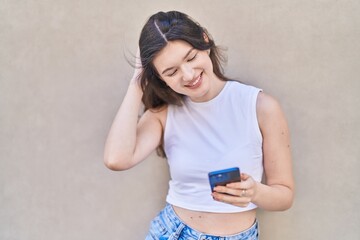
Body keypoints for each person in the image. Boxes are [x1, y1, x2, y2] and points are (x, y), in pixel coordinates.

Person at [104, 11, 294, 240]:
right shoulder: (164, 112)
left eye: (191, 58)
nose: (188, 75)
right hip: (172, 232)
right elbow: (116, 159)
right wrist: (137, 84)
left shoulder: (260, 106)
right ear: (160, 78)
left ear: (204, 40)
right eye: (171, 72)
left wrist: (255, 191)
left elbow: (284, 195)